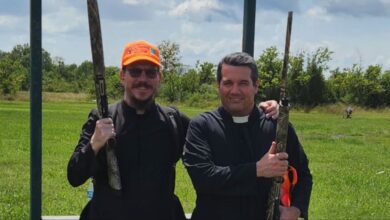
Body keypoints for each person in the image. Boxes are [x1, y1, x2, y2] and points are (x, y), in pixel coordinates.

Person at [67, 40, 279, 220]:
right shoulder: (101, 118)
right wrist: (95, 144)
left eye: (150, 72)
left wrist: (259, 111)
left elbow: (219, 130)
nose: (143, 79)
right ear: (123, 76)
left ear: (159, 78)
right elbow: (74, 176)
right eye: (135, 71)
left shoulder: (173, 120)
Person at [183, 52, 312, 220]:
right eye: (228, 83)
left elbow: (303, 174)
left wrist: (295, 209)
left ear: (256, 85)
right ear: (218, 85)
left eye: (243, 83)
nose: (235, 91)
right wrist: (257, 169)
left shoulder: (275, 126)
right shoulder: (202, 126)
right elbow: (204, 179)